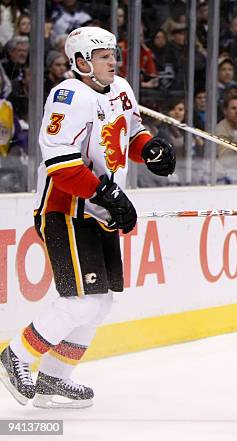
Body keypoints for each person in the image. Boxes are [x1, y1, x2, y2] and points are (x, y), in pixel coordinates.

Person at [0, 26, 176, 409]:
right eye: (104, 56)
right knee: (81, 301)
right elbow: (59, 163)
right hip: (65, 211)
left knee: (100, 302)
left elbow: (127, 135)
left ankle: (53, 379)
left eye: (113, 54)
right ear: (81, 63)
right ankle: (16, 355)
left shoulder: (122, 89)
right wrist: (106, 193)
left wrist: (149, 151)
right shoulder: (67, 97)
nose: (114, 60)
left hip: (99, 211)